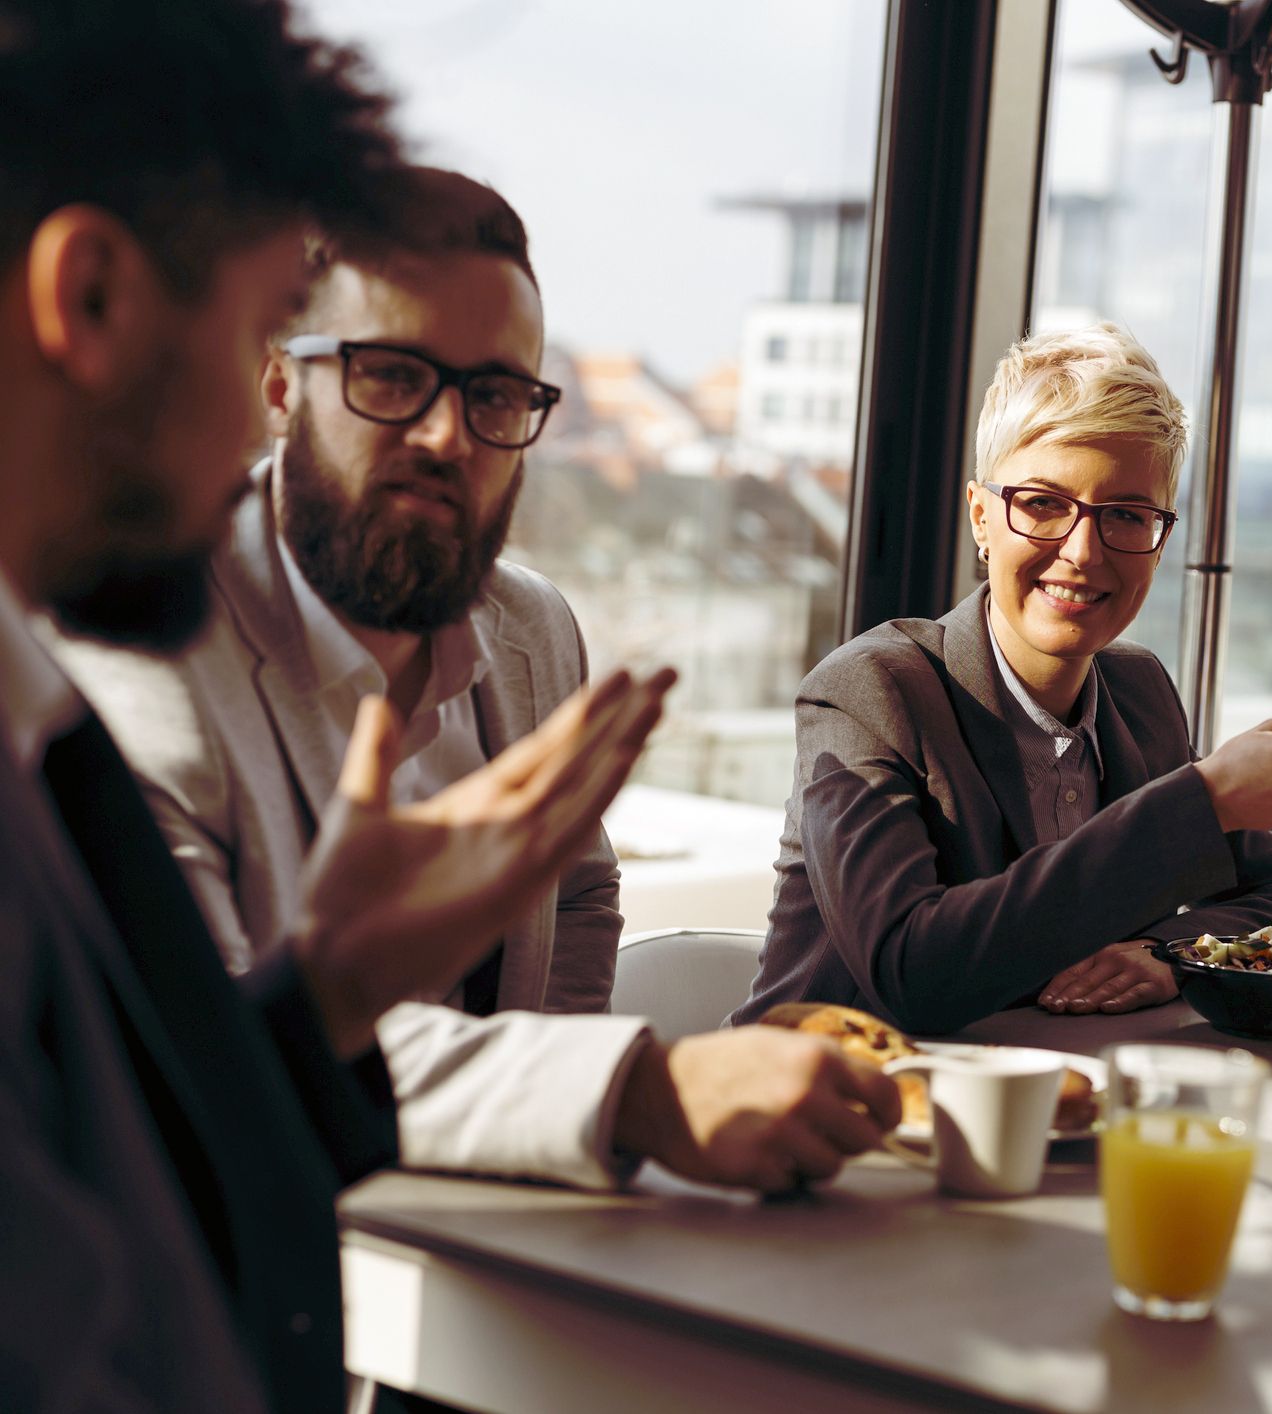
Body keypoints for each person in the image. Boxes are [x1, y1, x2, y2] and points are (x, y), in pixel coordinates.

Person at [62, 165, 899, 1194]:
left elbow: (581, 895)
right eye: (391, 374)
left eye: (495, 393)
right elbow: (207, 1039)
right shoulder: (147, 649)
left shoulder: (534, 627)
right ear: (282, 379)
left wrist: (536, 1165)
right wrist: (626, 1091)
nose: (447, 436)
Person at [736, 323, 1272, 1033]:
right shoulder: (870, 690)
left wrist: (1163, 953)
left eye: (1125, 515)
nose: (1082, 551)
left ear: (1160, 540)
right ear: (981, 516)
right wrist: (1202, 799)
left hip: (1051, 1105)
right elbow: (911, 973)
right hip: (834, 1110)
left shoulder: (1138, 694)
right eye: (1042, 504)